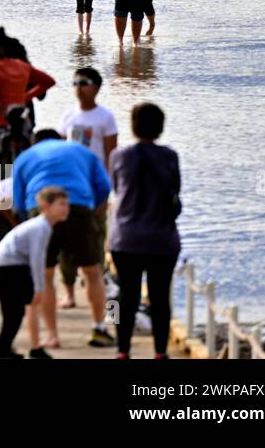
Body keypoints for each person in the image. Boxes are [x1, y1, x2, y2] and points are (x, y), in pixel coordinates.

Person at [11, 128, 113, 352]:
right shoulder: (81, 151)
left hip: (41, 209)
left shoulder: (25, 157)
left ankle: (52, 336)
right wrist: (91, 207)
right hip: (78, 207)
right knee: (92, 271)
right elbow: (105, 186)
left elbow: (17, 201)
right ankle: (99, 328)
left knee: (45, 276)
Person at [109, 102, 180, 359]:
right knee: (160, 298)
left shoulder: (118, 156)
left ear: (133, 125)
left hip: (125, 238)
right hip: (162, 239)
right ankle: (160, 352)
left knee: (126, 295)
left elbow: (117, 189)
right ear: (160, 127)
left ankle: (122, 350)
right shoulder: (169, 156)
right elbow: (175, 192)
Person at [0, 28, 54, 217]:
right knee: (16, 177)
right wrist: (25, 97)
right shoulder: (22, 66)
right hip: (19, 128)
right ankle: (16, 220)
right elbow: (48, 81)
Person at [57, 66, 119, 308]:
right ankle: (69, 291)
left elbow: (110, 155)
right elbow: (60, 151)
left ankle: (99, 288)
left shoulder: (105, 117)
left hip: (94, 186)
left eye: (83, 82)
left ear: (96, 87)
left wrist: (107, 190)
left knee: (95, 236)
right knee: (65, 238)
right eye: (75, 83)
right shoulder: (68, 116)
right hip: (69, 185)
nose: (78, 88)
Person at [0, 186, 70, 358]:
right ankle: (5, 348)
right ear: (45, 206)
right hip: (9, 266)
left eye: (66, 204)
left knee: (16, 311)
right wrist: (39, 287)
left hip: (12, 265)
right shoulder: (40, 227)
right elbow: (37, 259)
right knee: (15, 312)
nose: (66, 209)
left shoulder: (43, 226)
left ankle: (21, 347)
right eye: (61, 204)